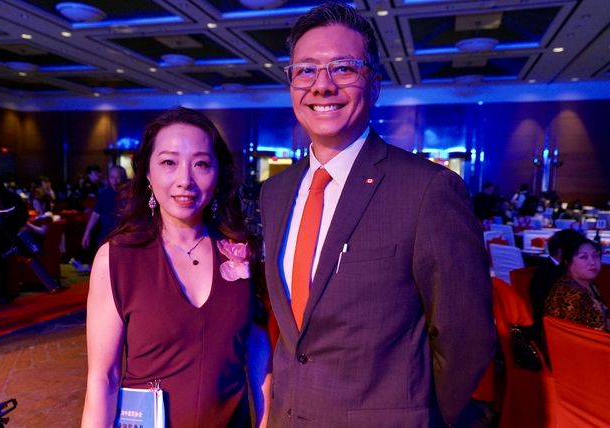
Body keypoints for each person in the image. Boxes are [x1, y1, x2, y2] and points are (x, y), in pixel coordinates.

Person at [258, 3, 496, 426]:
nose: (322, 86)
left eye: (343, 68)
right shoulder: (275, 193)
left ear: (375, 84)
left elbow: (467, 336)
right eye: (306, 70)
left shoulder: (427, 189)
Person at [81, 107, 271, 427]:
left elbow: (258, 356)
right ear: (147, 173)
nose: (185, 180)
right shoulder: (117, 258)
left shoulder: (241, 254)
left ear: (218, 174)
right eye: (169, 162)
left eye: (201, 164)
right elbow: (104, 378)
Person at [544, 235, 609, 331]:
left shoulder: (588, 283)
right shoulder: (570, 294)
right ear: (567, 261)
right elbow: (570, 335)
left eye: (595, 256)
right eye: (583, 257)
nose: (592, 262)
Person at [528, 228, 583, 340]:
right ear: (561, 252)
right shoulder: (546, 274)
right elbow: (551, 310)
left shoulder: (565, 269)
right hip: (553, 331)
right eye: (576, 251)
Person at [81, 165, 128, 250]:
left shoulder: (129, 194)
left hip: (123, 236)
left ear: (123, 178)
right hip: (105, 235)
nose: (114, 180)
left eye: (118, 177)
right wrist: (87, 233)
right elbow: (96, 214)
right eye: (112, 177)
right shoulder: (103, 194)